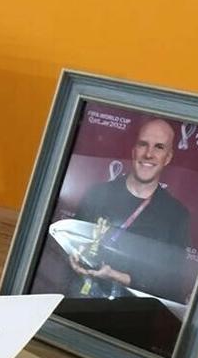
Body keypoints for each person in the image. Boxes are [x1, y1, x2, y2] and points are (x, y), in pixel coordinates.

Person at [68, 117, 191, 302]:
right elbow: (70, 247)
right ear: (134, 151)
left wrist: (116, 276)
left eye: (159, 147)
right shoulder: (97, 194)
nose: (149, 154)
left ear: (168, 157)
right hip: (80, 303)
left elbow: (171, 285)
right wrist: (71, 255)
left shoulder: (177, 216)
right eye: (143, 144)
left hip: (130, 318)